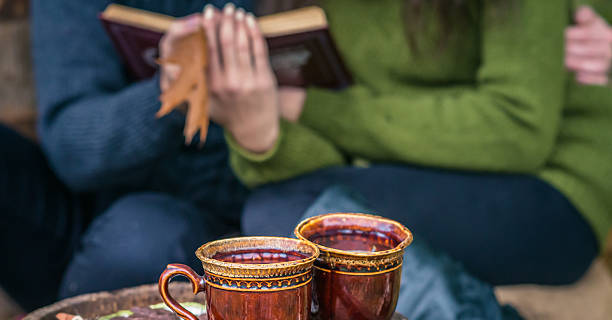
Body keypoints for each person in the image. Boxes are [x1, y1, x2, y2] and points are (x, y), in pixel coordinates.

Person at [201, 0, 612, 287]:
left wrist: (309, 107)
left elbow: (517, 128)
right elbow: (330, 161)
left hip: (552, 188)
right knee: (286, 219)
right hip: (404, 171)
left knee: (299, 222)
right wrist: (257, 129)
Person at [30, 0, 252, 299]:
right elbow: (70, 149)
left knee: (146, 238)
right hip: (110, 197)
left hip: (248, 187)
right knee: (139, 241)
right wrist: (170, 96)